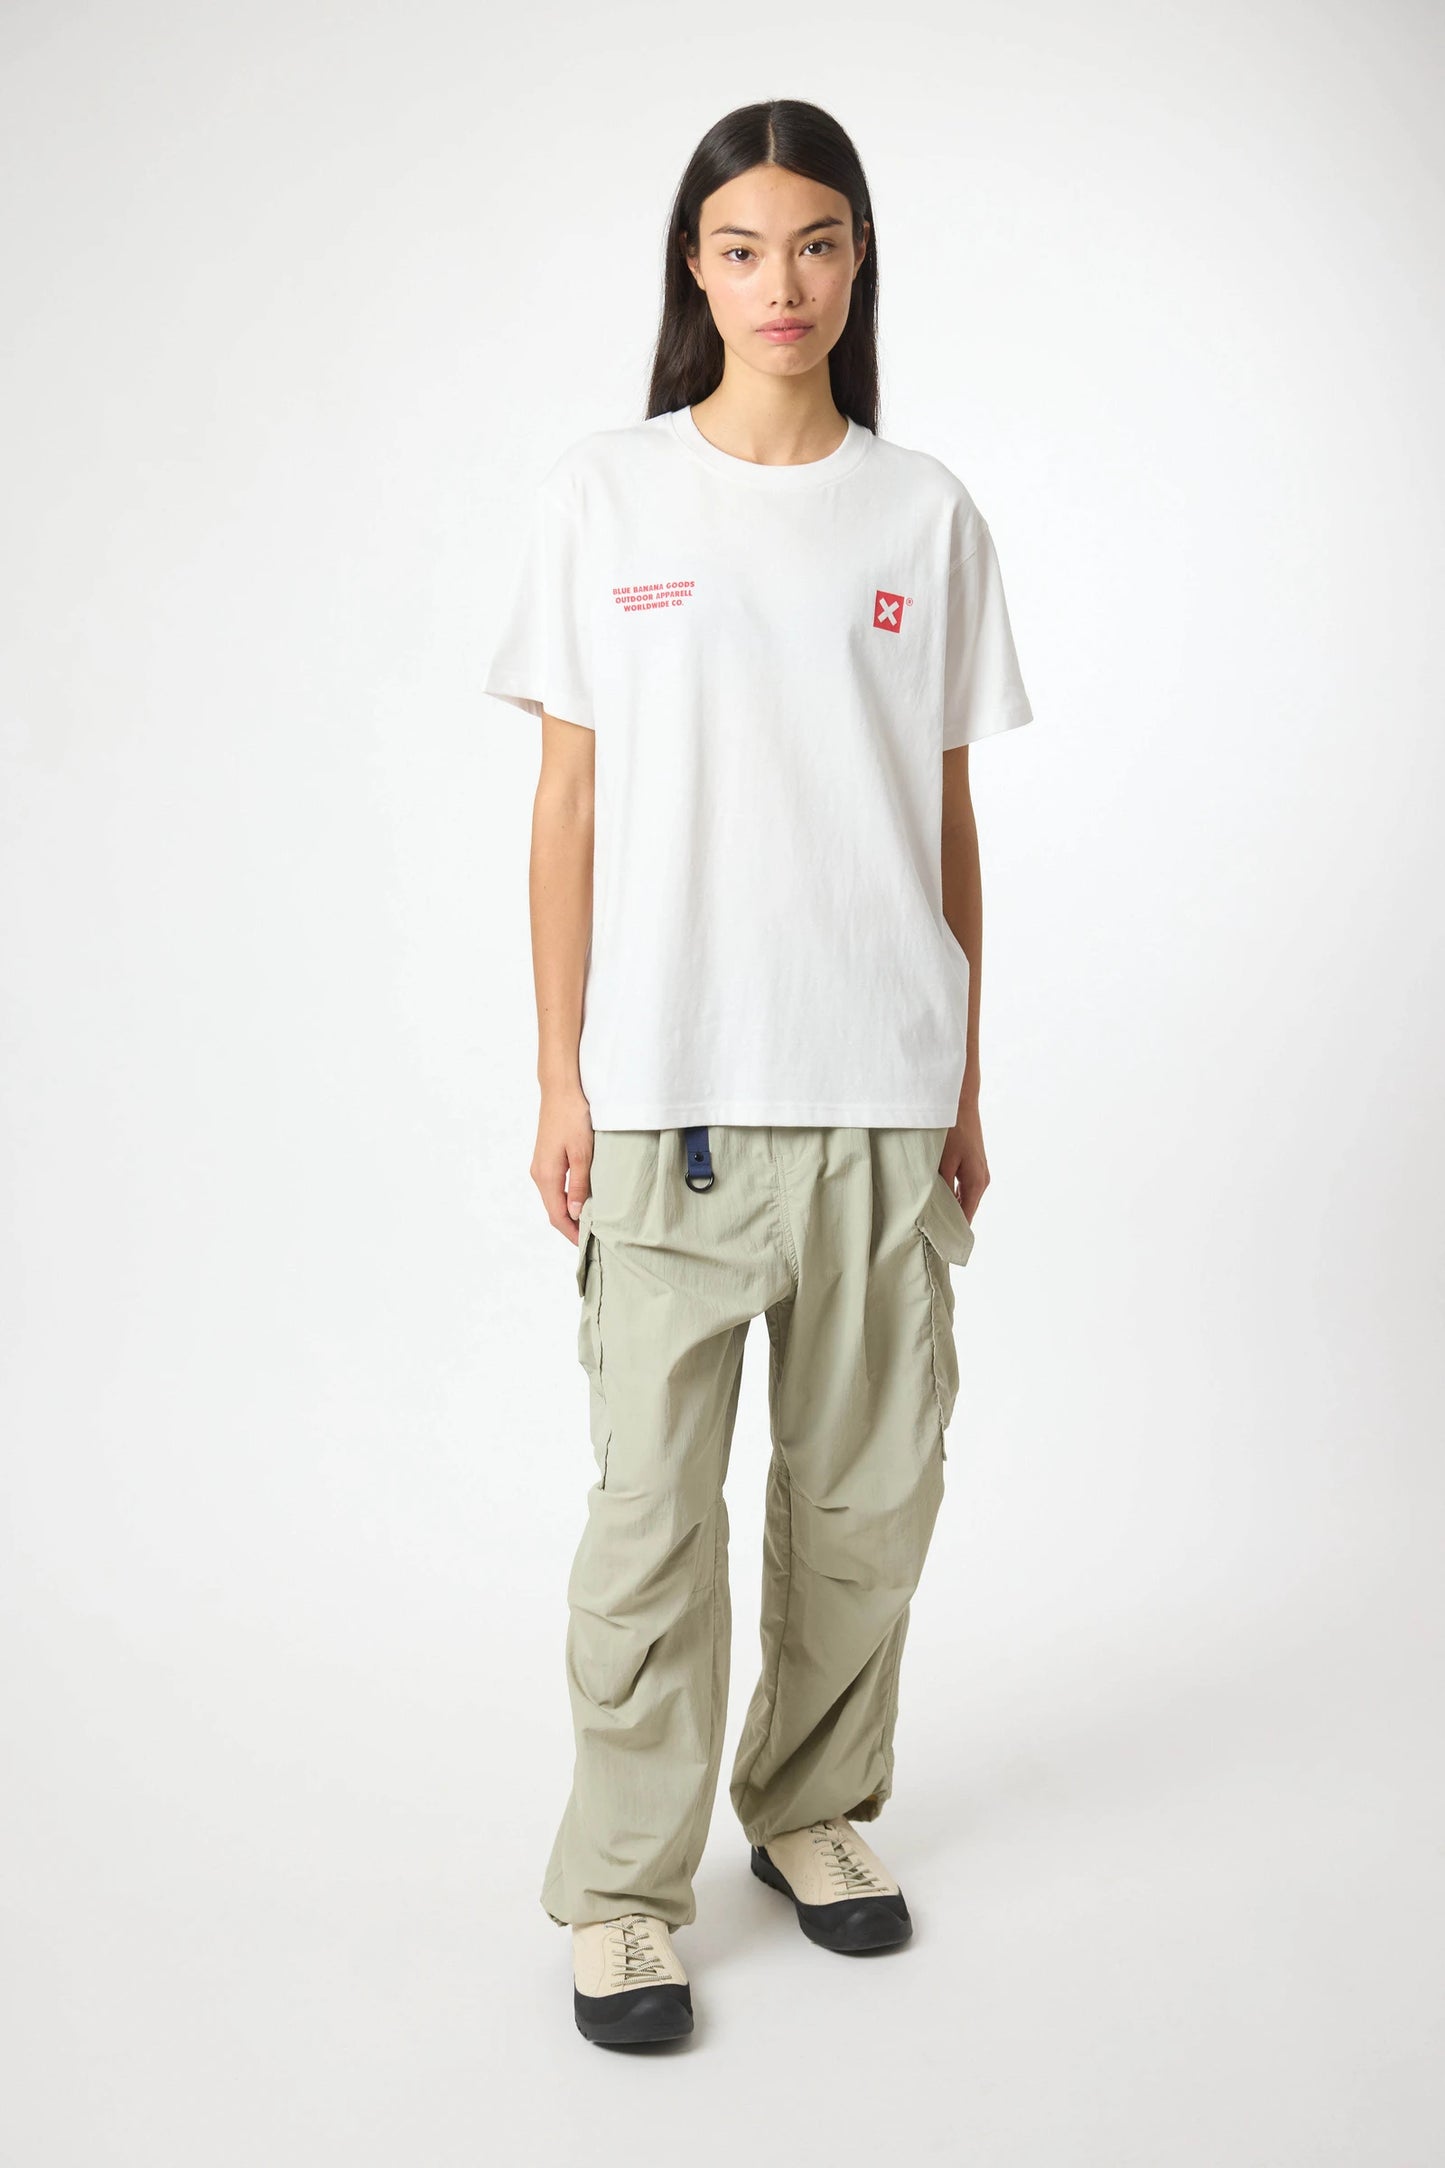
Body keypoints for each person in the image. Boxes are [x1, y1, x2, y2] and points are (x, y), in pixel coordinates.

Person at [482, 97, 1034, 2049]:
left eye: (814, 243)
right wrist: (560, 1077)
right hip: (672, 1096)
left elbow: (945, 818)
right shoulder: (606, 497)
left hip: (883, 1091)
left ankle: (807, 1809)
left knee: (865, 1505)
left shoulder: (924, 514)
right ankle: (624, 1894)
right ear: (694, 270)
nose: (779, 282)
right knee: (651, 1515)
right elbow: (566, 809)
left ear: (856, 260)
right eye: (741, 247)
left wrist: (963, 1077)